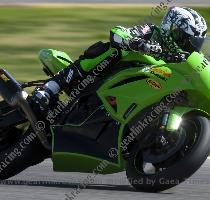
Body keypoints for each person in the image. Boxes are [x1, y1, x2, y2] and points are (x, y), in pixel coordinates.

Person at [32, 6, 207, 112]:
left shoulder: (180, 59)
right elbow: (118, 32)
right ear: (172, 28)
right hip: (104, 77)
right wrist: (138, 44)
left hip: (135, 92)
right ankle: (51, 87)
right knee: (115, 50)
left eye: (194, 44)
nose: (189, 48)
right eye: (186, 40)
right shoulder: (151, 31)